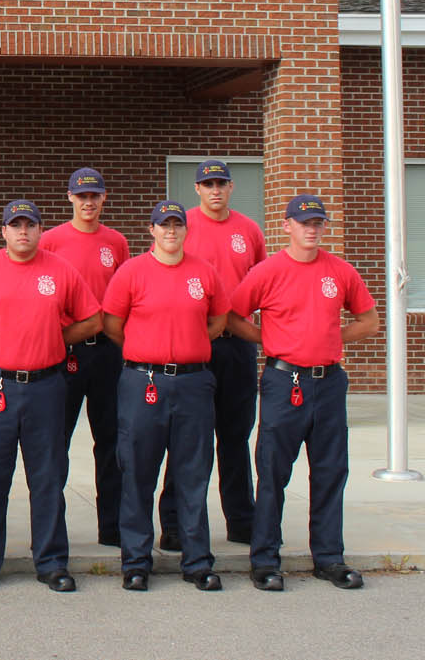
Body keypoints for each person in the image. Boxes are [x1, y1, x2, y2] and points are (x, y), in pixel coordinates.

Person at [0, 200, 100, 593]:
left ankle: (50, 562)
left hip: (46, 385)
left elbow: (92, 319)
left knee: (47, 477)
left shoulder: (60, 270)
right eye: (16, 225)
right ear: (4, 232)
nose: (23, 232)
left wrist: (55, 340)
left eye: (30, 224)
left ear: (41, 230)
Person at [228, 194, 378, 592]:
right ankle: (264, 560)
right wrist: (268, 339)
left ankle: (329, 558)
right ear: (287, 226)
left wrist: (334, 337)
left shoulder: (340, 271)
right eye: (304, 222)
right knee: (274, 471)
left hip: (328, 382)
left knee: (330, 470)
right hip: (283, 382)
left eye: (317, 223)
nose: (311, 229)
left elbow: (369, 320)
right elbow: (233, 314)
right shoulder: (267, 271)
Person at [101, 200, 229, 592]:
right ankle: (136, 560)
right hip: (144, 382)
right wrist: (149, 350)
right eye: (164, 225)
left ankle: (197, 561)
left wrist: (186, 346)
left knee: (192, 473)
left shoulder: (204, 272)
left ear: (186, 230)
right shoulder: (131, 272)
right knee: (137, 470)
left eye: (177, 225)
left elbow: (219, 319)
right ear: (152, 230)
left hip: (193, 383)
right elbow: (112, 323)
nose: (171, 231)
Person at [159, 159, 267, 550]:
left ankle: (241, 521)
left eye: (222, 182)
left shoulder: (248, 230)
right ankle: (174, 525)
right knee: (186, 439)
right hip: (194, 345)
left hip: (236, 344)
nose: (215, 189)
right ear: (198, 189)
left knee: (235, 436)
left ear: (231, 187)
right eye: (208, 183)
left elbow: (262, 286)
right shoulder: (180, 226)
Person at [40, 167, 129, 547]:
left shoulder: (117, 242)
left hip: (108, 351)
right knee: (54, 443)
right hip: (65, 351)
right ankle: (51, 529)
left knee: (110, 441)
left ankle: (112, 528)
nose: (88, 202)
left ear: (104, 198)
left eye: (94, 196)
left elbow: (125, 295)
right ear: (70, 197)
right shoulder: (51, 241)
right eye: (81, 196)